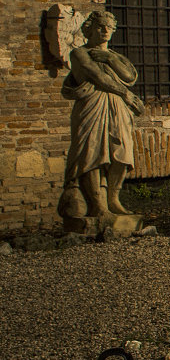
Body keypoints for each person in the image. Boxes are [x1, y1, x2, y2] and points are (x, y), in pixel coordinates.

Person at [59, 11, 143, 225]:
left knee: (121, 151)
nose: (105, 31)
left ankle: (113, 200)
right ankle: (98, 206)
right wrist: (125, 94)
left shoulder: (114, 55)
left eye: (109, 27)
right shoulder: (79, 53)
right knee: (93, 152)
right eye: (100, 26)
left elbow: (129, 76)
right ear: (89, 29)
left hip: (117, 107)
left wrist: (110, 57)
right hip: (92, 104)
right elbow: (96, 75)